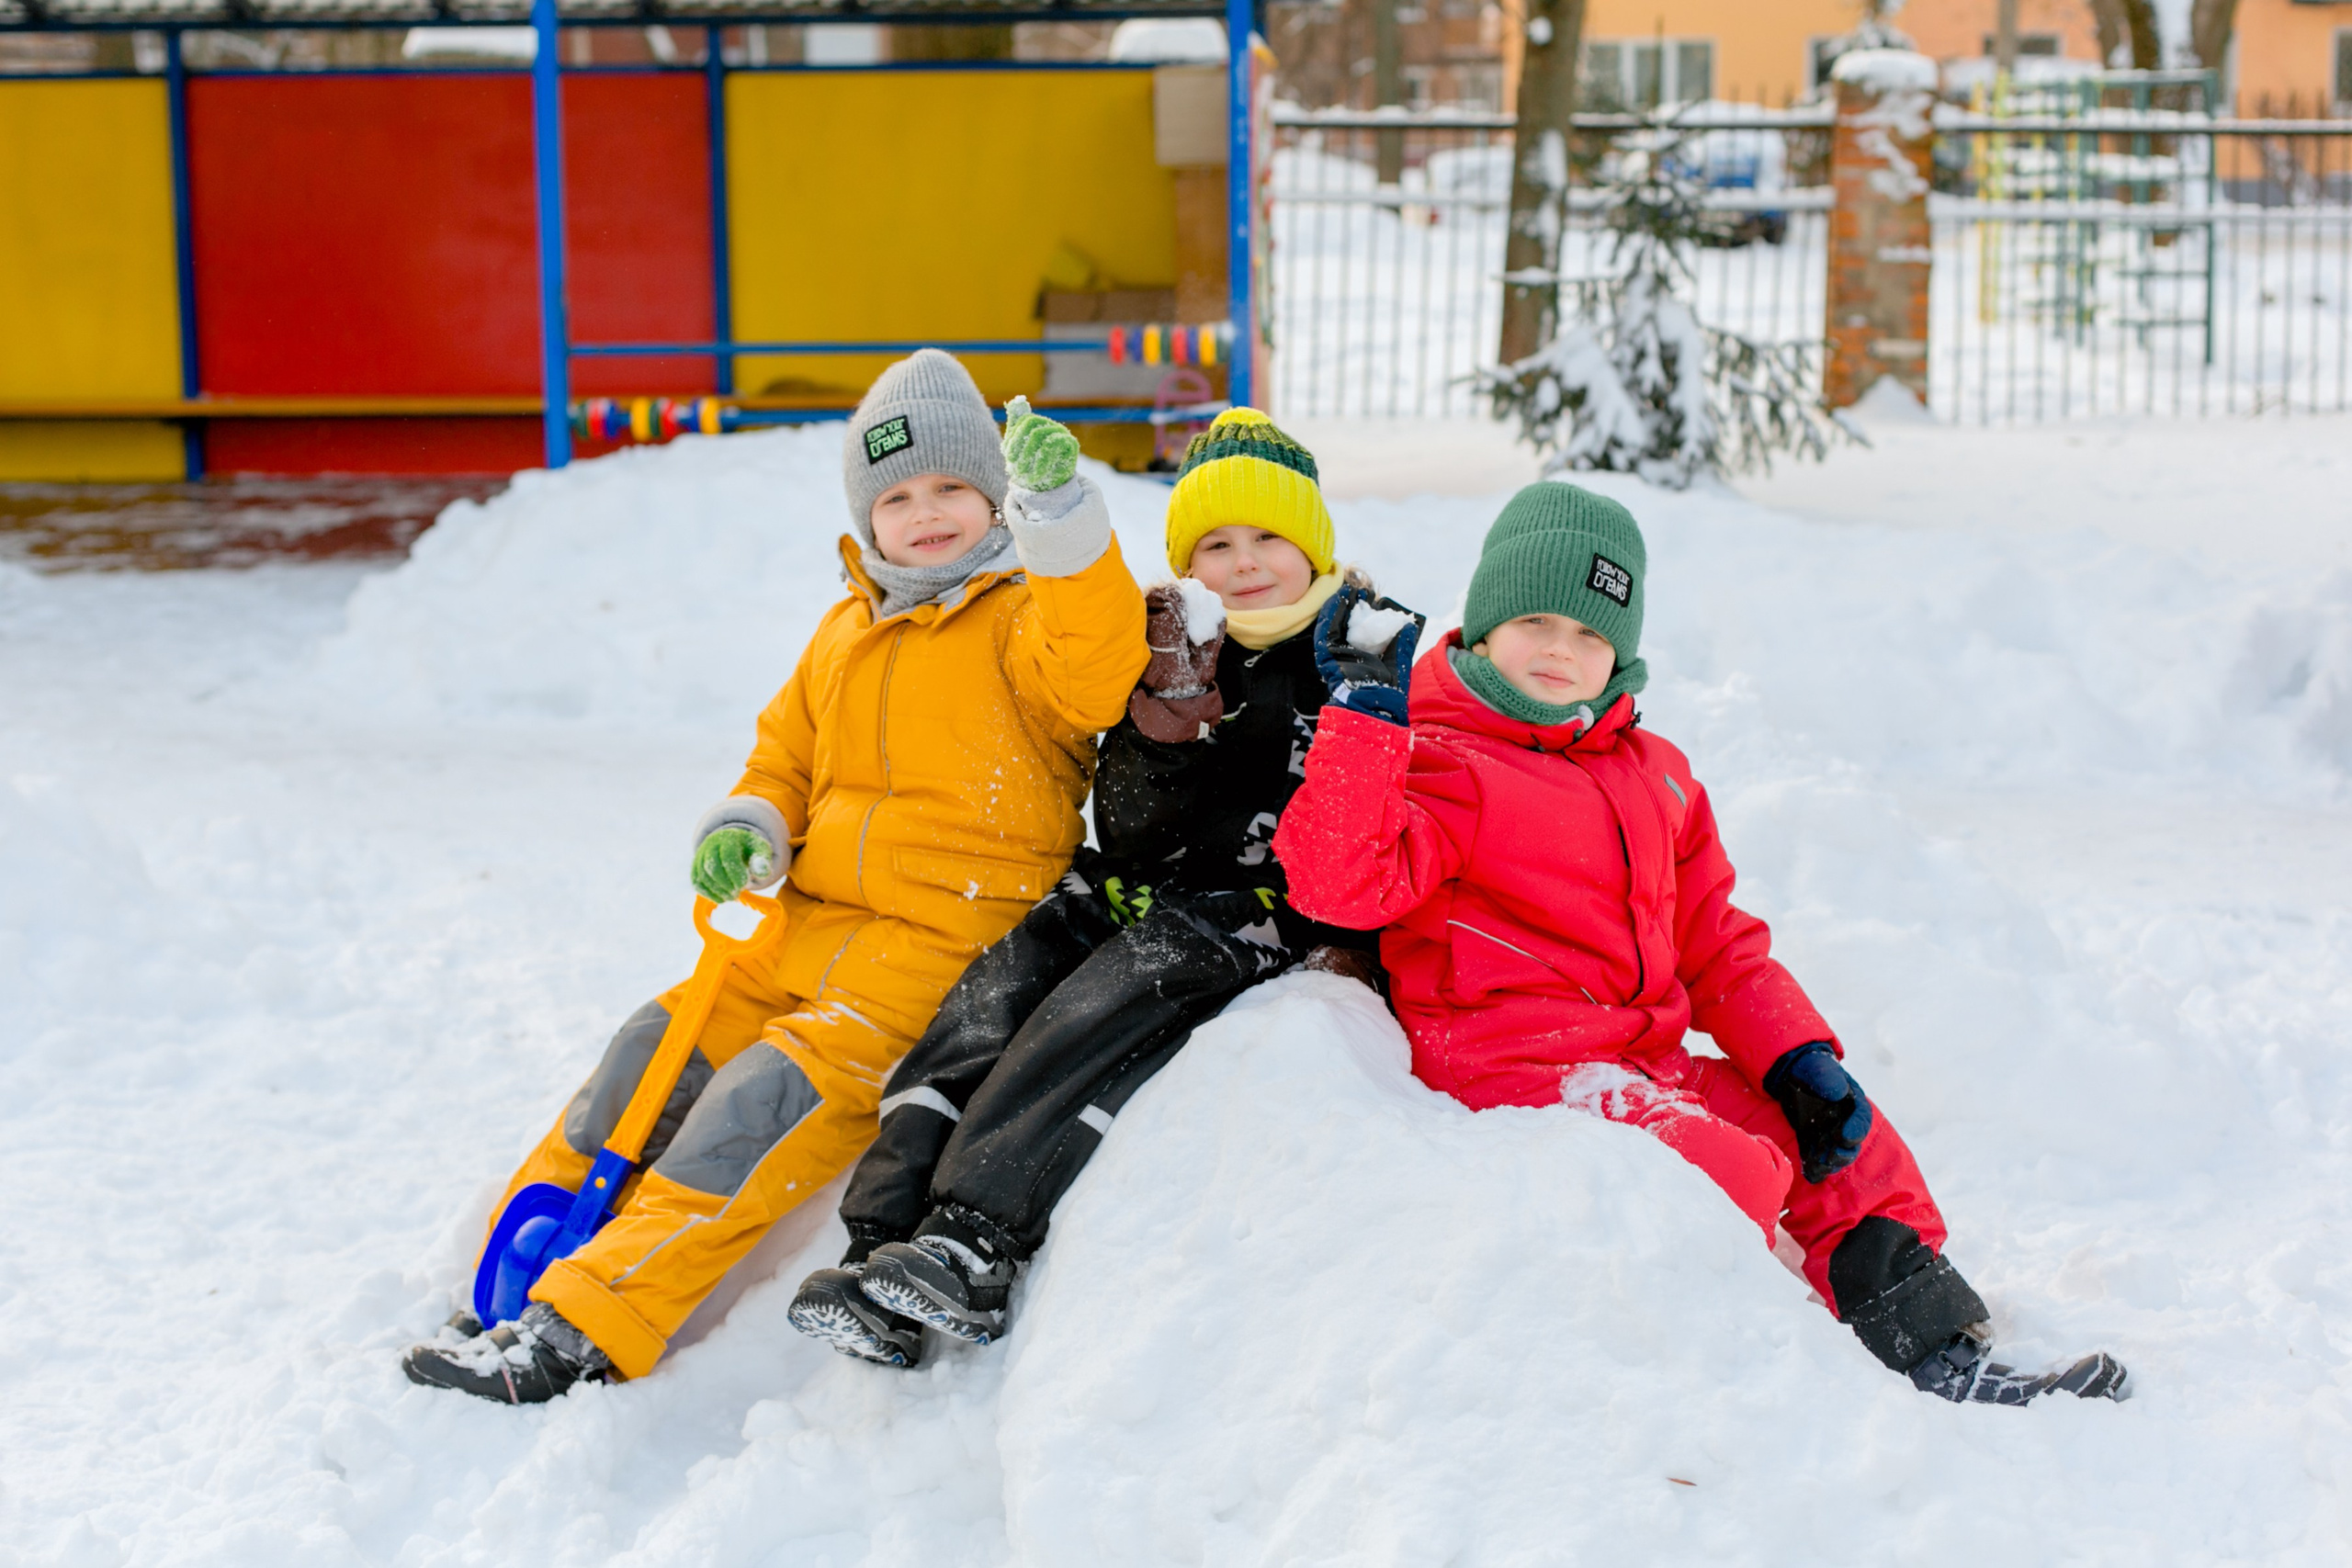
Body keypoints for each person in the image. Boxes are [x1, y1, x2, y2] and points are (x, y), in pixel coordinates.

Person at [1272, 480, 2129, 1406]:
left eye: (1593, 635)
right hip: (1516, 1070)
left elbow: (1715, 943)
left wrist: (1796, 1059)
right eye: (1536, 622)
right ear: (1482, 627)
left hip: (1643, 1061)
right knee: (1730, 1171)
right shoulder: (1446, 755)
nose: (1563, 650)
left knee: (1845, 1153)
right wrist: (1362, 721)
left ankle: (1929, 1348)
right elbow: (1340, 884)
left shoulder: (1656, 777)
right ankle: (1762, 1382)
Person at [401, 351, 1148, 1403]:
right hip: (795, 934)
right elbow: (783, 763)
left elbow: (1102, 665)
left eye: (951, 488)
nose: (924, 515)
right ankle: (507, 1279)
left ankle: (592, 1320)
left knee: (760, 1102)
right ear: (865, 517)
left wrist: (1062, 518)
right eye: (896, 497)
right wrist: (749, 823)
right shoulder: (844, 632)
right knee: (649, 1054)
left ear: (992, 498)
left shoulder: (1028, 619)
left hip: (931, 954)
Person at [786, 409, 1420, 1365]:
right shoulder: (1170, 637)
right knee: (986, 999)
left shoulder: (1352, 653)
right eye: (1214, 543)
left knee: (1084, 1018)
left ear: (1314, 545)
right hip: (1129, 884)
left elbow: (1357, 828)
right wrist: (1166, 712)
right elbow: (1124, 823)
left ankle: (977, 1237)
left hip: (1250, 914)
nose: (1243, 563)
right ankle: (882, 1245)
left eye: (1269, 538)